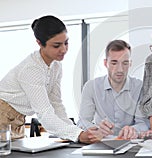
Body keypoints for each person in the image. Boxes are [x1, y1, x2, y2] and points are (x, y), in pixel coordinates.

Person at [0, 15, 102, 144]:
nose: (64, 49)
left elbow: (56, 104)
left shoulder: (56, 66)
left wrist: (75, 131)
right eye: (56, 45)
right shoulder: (31, 69)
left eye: (66, 43)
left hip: (17, 120)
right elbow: (44, 113)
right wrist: (78, 135)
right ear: (39, 43)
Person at [77, 40, 149, 139]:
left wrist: (134, 130)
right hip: (101, 142)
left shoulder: (140, 87)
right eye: (114, 63)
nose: (120, 69)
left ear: (130, 63)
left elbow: (143, 123)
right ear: (105, 63)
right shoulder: (91, 87)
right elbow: (83, 121)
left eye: (125, 63)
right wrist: (96, 129)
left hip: (130, 142)